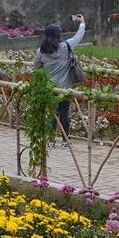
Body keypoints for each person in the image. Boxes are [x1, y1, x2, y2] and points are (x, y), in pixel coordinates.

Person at [33, 14, 86, 147]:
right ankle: (65, 141)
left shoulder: (41, 51)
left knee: (51, 114)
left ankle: (50, 141)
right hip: (65, 87)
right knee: (64, 114)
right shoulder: (66, 47)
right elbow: (78, 37)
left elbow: (36, 66)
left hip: (50, 87)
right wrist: (82, 23)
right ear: (58, 35)